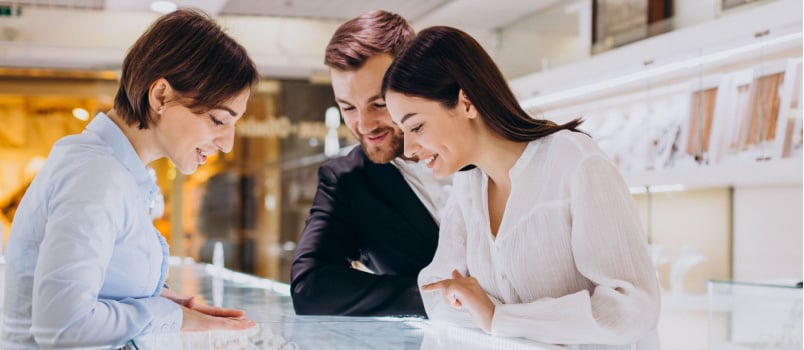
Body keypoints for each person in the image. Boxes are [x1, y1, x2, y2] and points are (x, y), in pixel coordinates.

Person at [382, 26, 661, 348]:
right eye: (403, 131)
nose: (409, 149)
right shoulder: (468, 185)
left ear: (466, 102)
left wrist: (498, 317)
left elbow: (632, 307)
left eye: (417, 126)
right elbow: (435, 293)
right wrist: (490, 316)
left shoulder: (573, 161)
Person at [2, 8, 260, 349]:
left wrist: (164, 301)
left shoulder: (113, 171)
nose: (227, 143)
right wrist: (171, 316)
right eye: (218, 120)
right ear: (161, 96)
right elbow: (63, 327)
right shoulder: (97, 177)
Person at [290, 11, 451, 316]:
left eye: (378, 103)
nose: (364, 125)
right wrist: (438, 298)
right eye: (348, 108)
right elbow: (310, 287)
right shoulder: (347, 181)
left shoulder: (478, 150)